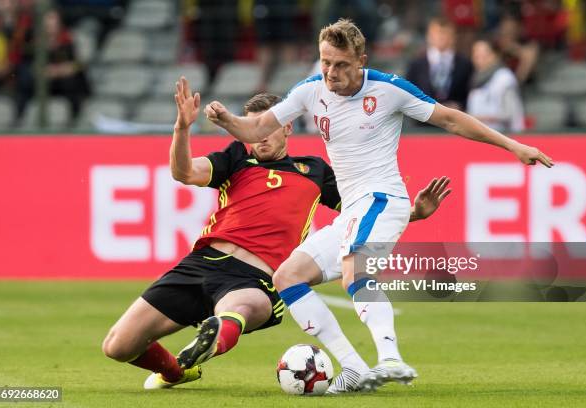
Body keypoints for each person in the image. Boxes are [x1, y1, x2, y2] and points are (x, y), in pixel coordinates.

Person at [201, 18, 553, 392]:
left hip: (383, 198)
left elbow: (451, 119)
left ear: (361, 61)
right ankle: (353, 369)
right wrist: (227, 120)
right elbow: (255, 130)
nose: (331, 72)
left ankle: (390, 359)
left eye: (340, 64)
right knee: (287, 277)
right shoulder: (310, 90)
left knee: (356, 272)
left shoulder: (389, 89)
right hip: (354, 209)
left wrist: (514, 146)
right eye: (325, 62)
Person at [101, 77, 451, 390]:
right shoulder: (236, 159)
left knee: (238, 310)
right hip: (201, 264)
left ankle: (211, 340)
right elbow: (184, 173)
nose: (260, 134)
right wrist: (182, 128)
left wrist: (414, 214)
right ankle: (178, 371)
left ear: (287, 128)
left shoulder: (314, 171)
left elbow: (364, 214)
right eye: (252, 126)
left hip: (256, 278)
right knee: (118, 346)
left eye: (268, 125)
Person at [406, 16, 473, 111]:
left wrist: (459, 105)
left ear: (453, 37)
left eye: (445, 33)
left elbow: (470, 94)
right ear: (429, 36)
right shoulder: (416, 64)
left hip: (455, 121)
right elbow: (408, 93)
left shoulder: (465, 64)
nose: (441, 37)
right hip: (422, 122)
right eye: (437, 33)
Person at [466, 39, 525, 133]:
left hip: (504, 136)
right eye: (476, 55)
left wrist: (478, 118)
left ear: (494, 55)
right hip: (480, 136)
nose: (479, 59)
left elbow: (510, 113)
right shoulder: (475, 78)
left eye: (484, 55)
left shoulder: (504, 77)